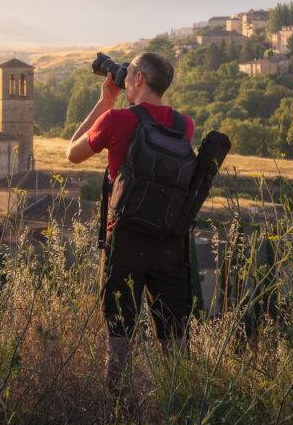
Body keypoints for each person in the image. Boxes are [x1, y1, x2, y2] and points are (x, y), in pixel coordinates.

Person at [65, 52, 195, 391]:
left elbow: (72, 153)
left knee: (120, 332)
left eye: (131, 71)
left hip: (125, 239)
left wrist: (105, 101)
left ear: (137, 80)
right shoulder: (184, 126)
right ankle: (180, 404)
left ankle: (118, 410)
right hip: (169, 241)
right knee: (174, 332)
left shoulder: (118, 120)